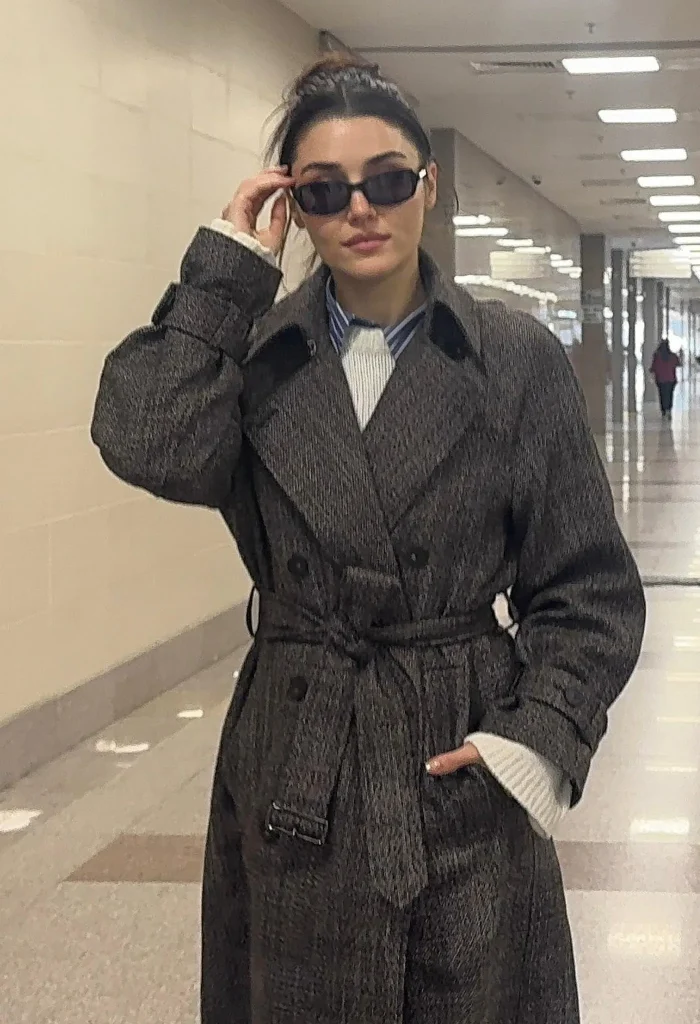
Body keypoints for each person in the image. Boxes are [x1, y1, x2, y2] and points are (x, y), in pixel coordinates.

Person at [91, 54, 646, 1024]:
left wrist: (529, 738)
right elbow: (151, 442)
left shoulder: (513, 357)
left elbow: (589, 588)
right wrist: (226, 272)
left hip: (460, 743)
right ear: (294, 209)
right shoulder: (252, 356)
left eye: (387, 180)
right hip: (298, 758)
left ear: (428, 185)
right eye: (323, 189)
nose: (360, 208)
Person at [650, 338, 681, 419]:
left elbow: (653, 368)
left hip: (660, 379)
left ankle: (663, 411)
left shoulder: (657, 356)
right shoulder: (673, 356)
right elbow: (678, 364)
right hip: (671, 379)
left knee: (662, 394)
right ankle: (669, 410)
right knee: (670, 395)